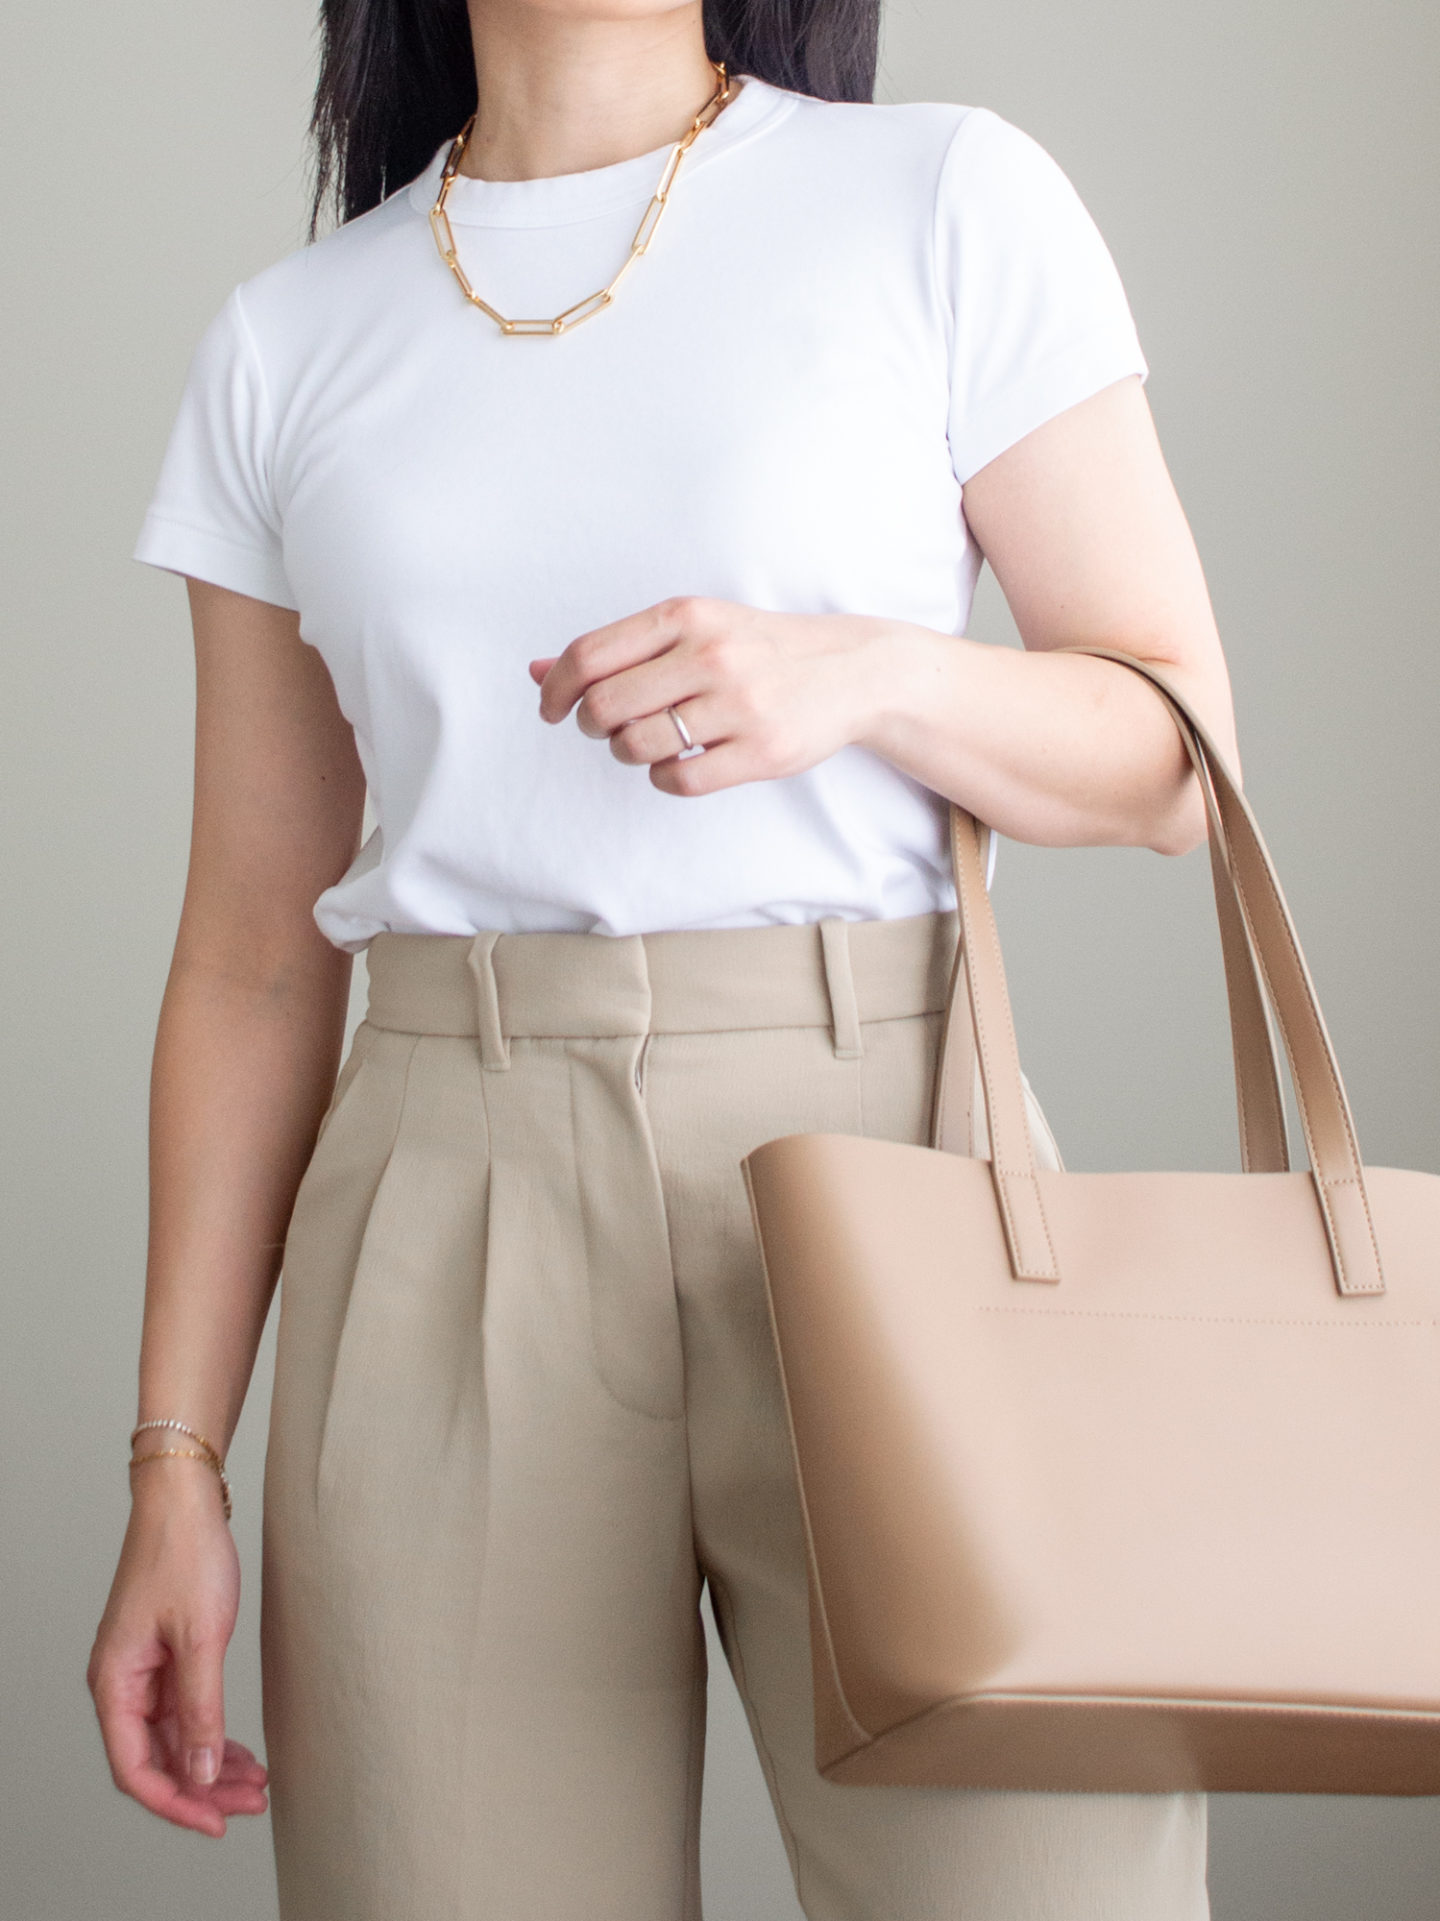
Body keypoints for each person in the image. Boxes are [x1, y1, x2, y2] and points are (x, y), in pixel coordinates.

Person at [87, 0, 1234, 1914]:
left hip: (888, 1151)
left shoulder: (940, 199)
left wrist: (861, 672)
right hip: (447, 1198)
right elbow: (251, 961)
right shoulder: (290, 342)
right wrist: (173, 1458)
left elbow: (1177, 753)